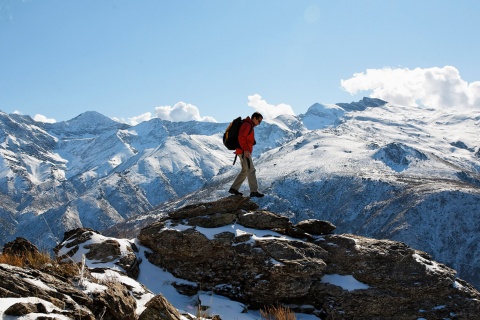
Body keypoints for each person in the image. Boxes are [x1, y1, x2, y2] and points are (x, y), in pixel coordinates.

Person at [228, 112, 265, 198]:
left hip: (241, 151)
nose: (259, 123)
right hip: (244, 152)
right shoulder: (247, 125)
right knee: (251, 170)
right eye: (259, 121)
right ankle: (254, 191)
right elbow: (241, 136)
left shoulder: (248, 125)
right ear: (254, 118)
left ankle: (234, 188)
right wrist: (245, 149)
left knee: (245, 170)